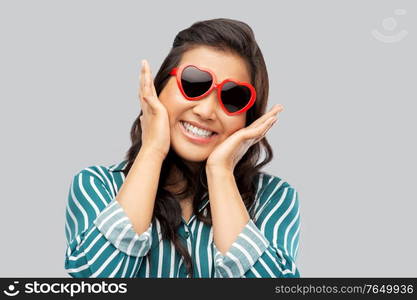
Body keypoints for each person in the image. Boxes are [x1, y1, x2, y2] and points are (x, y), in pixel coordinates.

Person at [64, 18, 301, 278]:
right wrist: (153, 150)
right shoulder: (98, 185)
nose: (206, 111)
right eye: (194, 84)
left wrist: (220, 172)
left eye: (233, 98)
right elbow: (97, 281)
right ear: (159, 88)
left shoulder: (273, 199)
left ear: (249, 118)